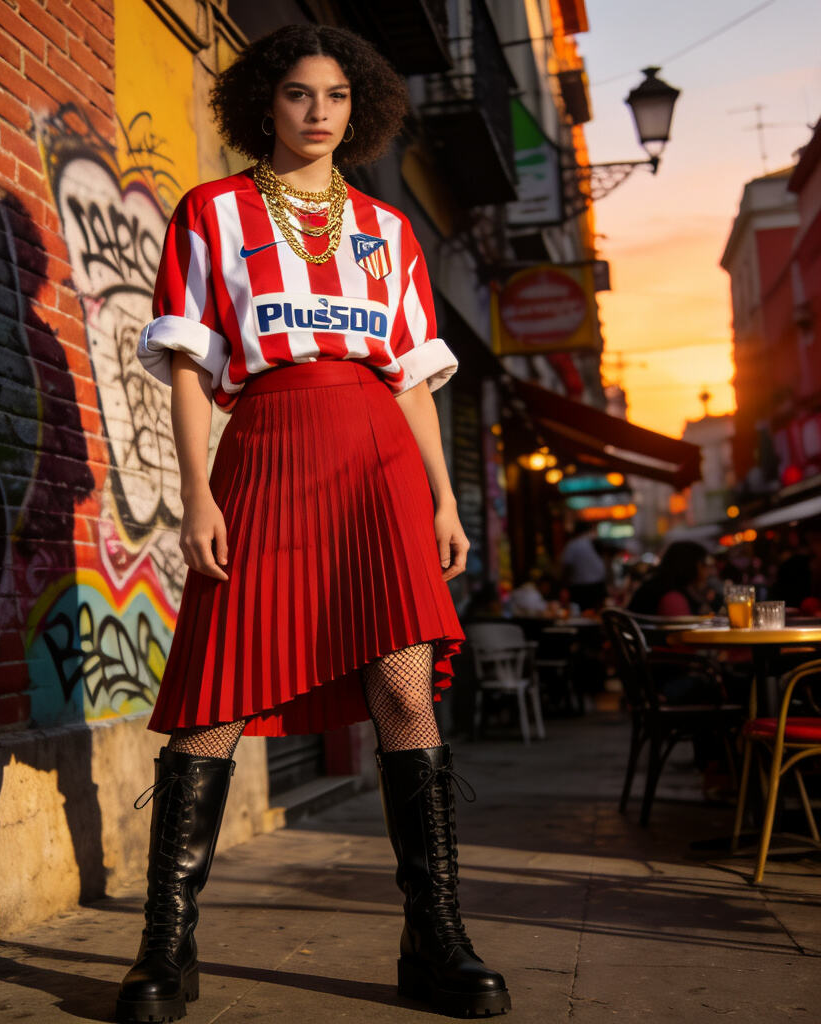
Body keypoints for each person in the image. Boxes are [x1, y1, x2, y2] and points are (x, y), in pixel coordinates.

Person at [114, 25, 511, 1023]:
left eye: (336, 95)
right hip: (266, 453)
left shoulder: (388, 227)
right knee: (214, 697)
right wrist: (197, 490)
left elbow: (416, 382)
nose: (318, 111)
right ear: (266, 103)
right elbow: (190, 364)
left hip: (377, 459)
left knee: (403, 688)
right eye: (298, 93)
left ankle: (436, 939)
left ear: (358, 109)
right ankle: (165, 952)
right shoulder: (210, 212)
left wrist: (445, 495)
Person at [626, 541, 714, 617]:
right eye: (704, 565)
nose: (708, 571)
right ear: (692, 566)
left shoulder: (657, 584)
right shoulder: (672, 596)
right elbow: (683, 634)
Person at [559, 523, 607, 611]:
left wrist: (563, 585)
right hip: (598, 585)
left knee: (581, 613)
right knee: (597, 613)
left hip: (580, 587)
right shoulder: (593, 541)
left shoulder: (573, 545)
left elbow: (565, 566)